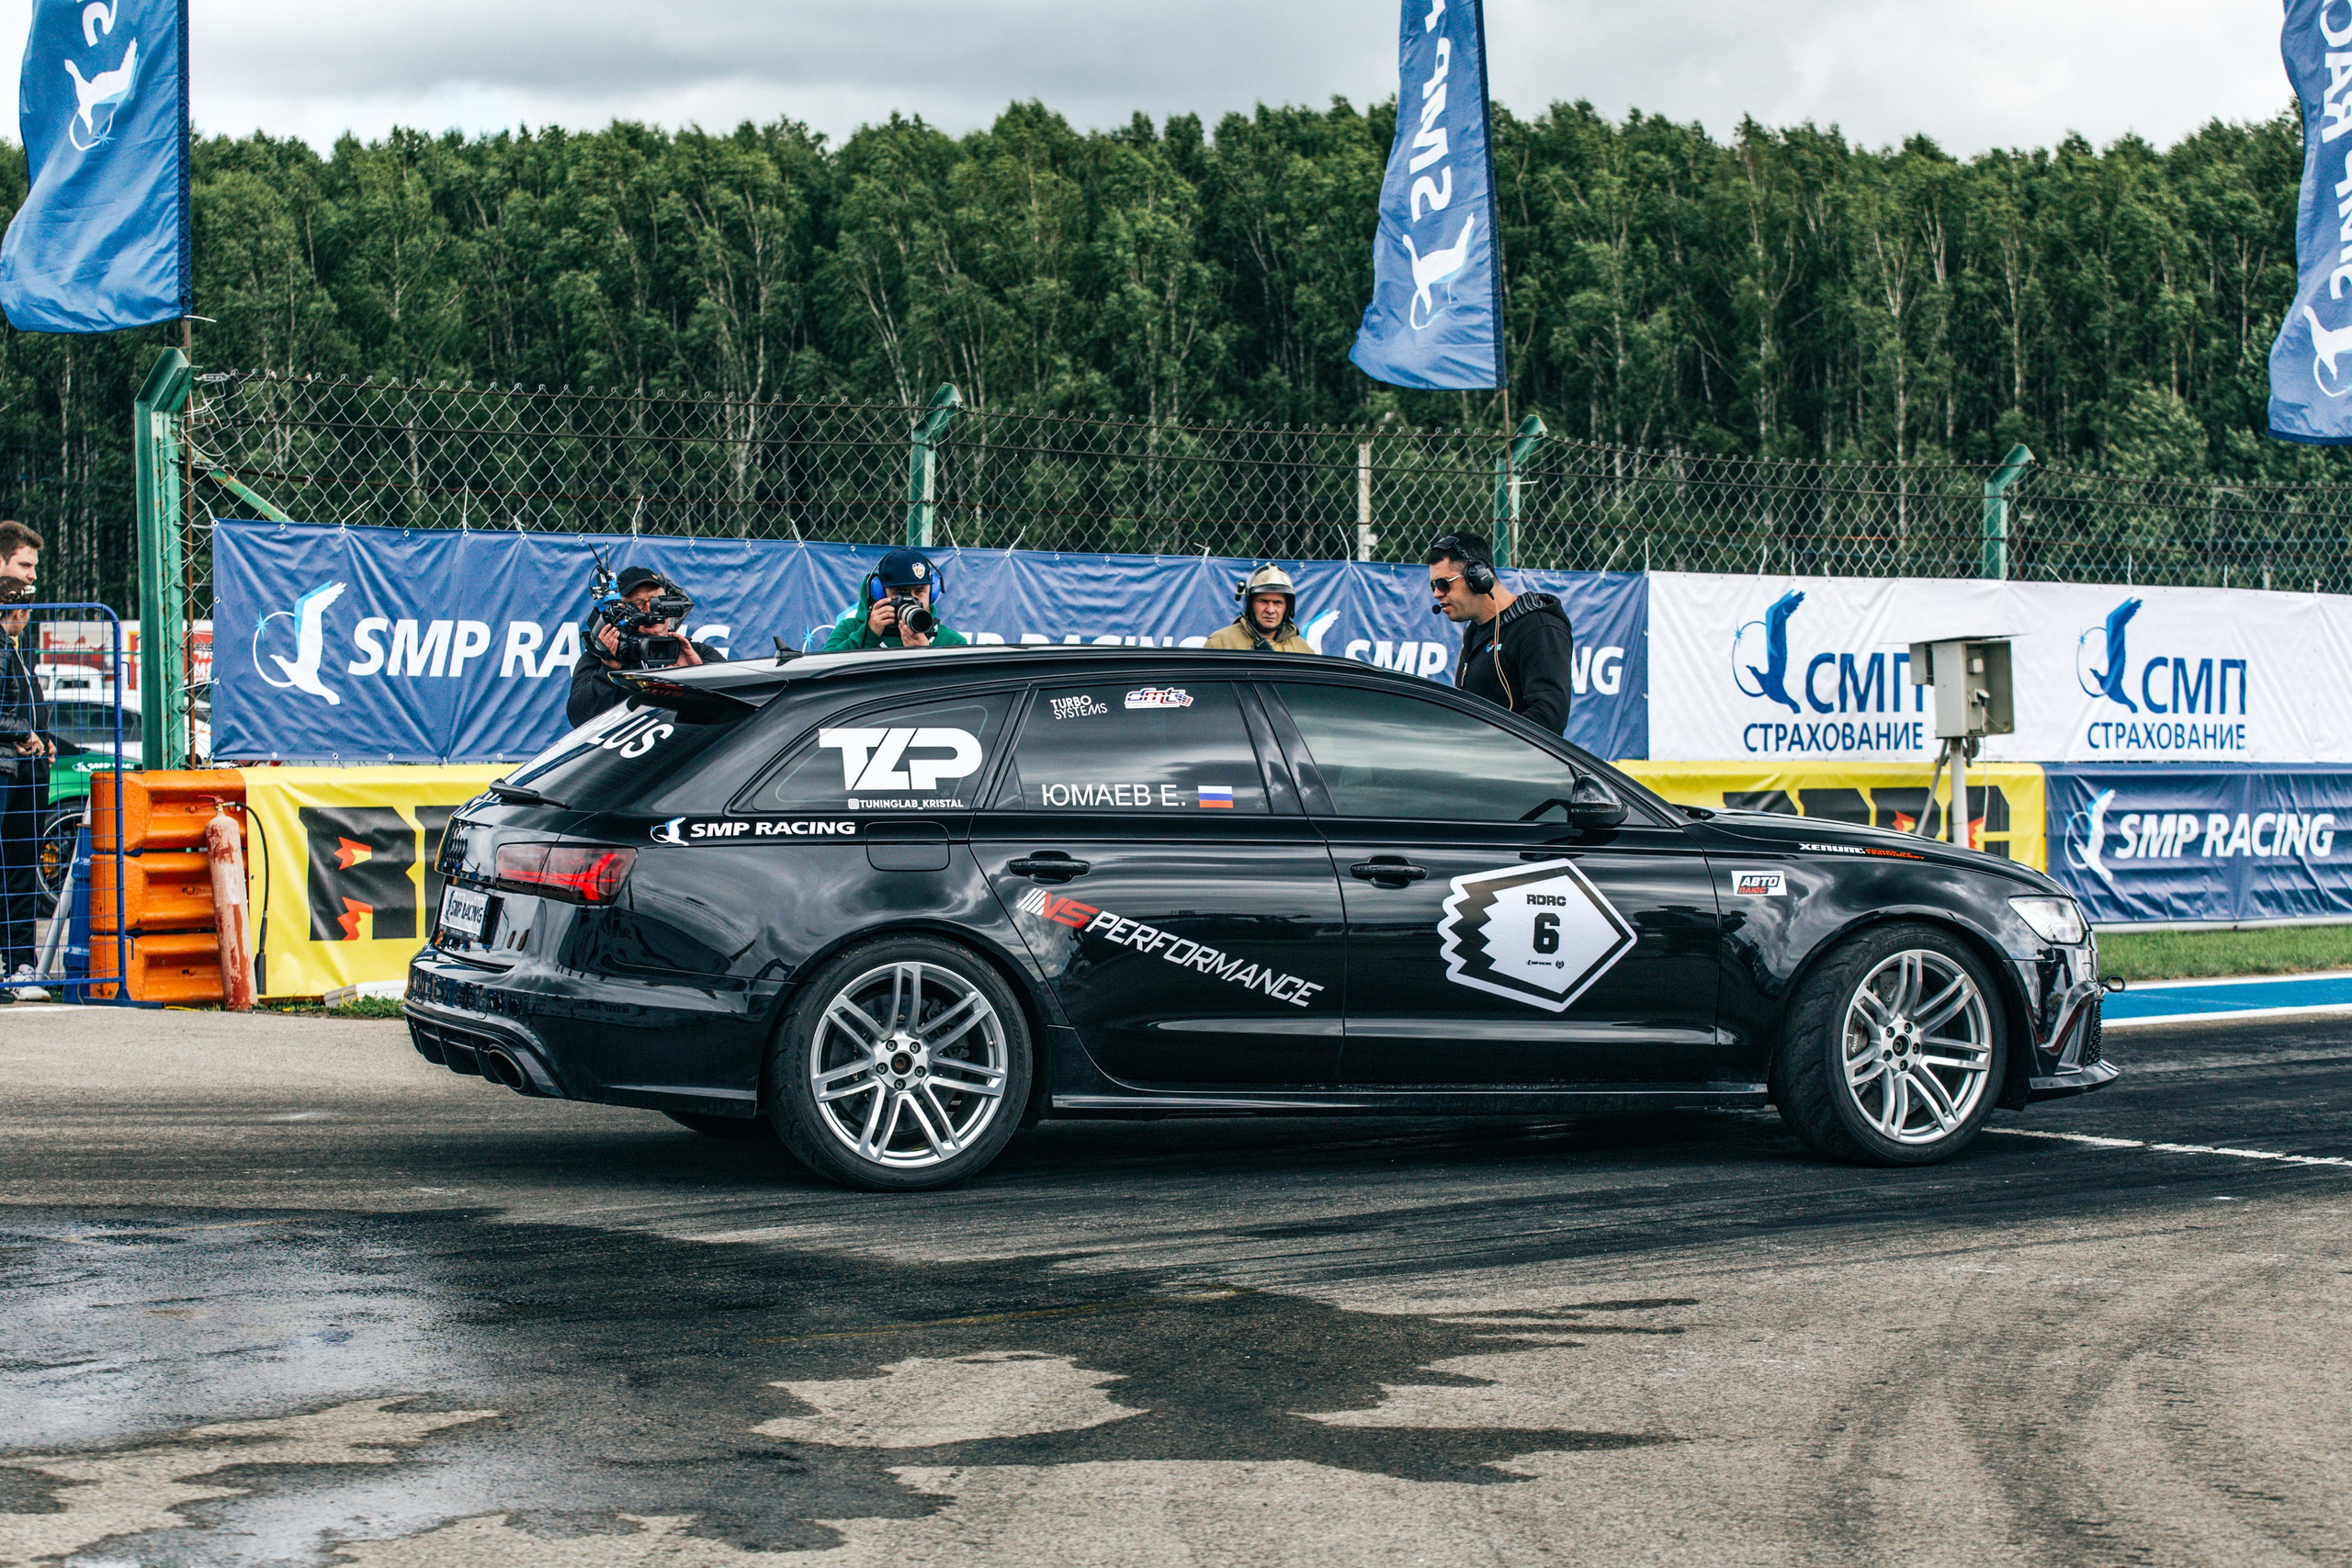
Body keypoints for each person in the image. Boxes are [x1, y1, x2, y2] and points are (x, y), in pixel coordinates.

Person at [1425, 530, 1575, 735]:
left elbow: (1549, 717)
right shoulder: (1475, 632)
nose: (1437, 593)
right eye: (1433, 585)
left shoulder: (1539, 628)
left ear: (1477, 575)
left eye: (1444, 584)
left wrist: (1484, 743)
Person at [566, 566, 724, 728]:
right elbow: (579, 719)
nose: (650, 610)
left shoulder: (695, 653)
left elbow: (732, 709)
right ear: (621, 611)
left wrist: (698, 673)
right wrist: (608, 671)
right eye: (639, 603)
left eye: (657, 602)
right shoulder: (600, 658)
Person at [0, 520, 52, 1003]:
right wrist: (22, 734)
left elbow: (26, 703)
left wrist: (44, 737)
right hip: (6, 769)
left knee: (20, 868)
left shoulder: (17, 638)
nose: (32, 579)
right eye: (24, 565)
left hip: (27, 772)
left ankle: (21, 964)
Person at [822, 547, 969, 651]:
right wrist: (868, 635)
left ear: (932, 593)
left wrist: (927, 655)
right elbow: (825, 670)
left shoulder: (952, 642)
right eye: (900, 592)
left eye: (919, 591)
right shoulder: (850, 629)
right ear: (879, 593)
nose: (911, 598)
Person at [1205, 564, 1314, 652]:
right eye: (1263, 601)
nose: (1270, 610)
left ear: (1287, 607)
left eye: (1278, 603)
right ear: (1250, 605)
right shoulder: (1221, 643)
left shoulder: (1302, 649)